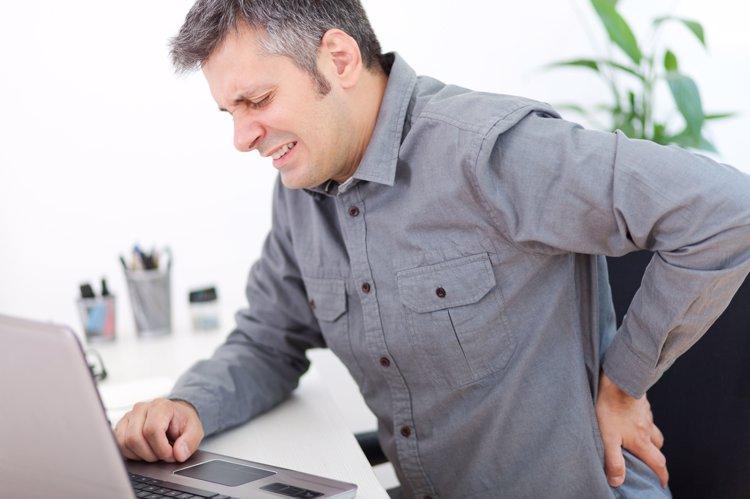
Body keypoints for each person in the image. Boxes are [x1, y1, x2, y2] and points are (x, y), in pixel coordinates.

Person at [113, 1, 750, 497]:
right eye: (229, 112)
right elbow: (267, 341)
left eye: (257, 101)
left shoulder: (491, 153)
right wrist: (188, 404)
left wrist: (623, 384)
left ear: (338, 59)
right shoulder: (302, 189)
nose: (242, 137)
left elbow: (726, 210)